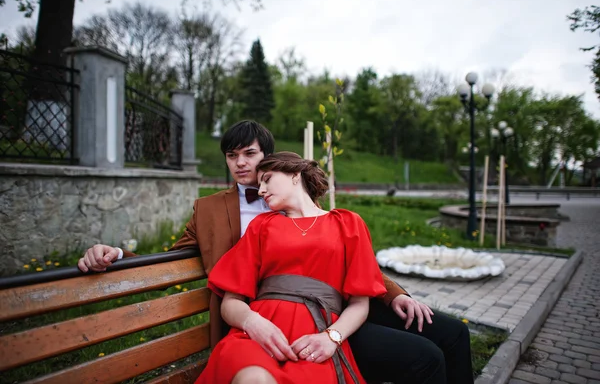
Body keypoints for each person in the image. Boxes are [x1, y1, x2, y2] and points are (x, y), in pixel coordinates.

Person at [78, 120, 473, 384]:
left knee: (452, 334)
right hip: (266, 307)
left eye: (248, 154)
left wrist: (395, 293)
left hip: (336, 300)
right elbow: (172, 257)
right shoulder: (212, 210)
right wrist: (116, 253)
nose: (239, 163)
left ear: (266, 156)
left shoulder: (304, 202)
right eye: (232, 156)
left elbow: (344, 252)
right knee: (422, 357)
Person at [196, 151, 386, 383]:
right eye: (259, 185)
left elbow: (359, 304)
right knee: (255, 379)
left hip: (314, 344)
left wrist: (331, 337)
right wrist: (252, 322)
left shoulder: (347, 223)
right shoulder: (262, 226)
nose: (261, 190)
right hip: (255, 337)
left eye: (267, 179)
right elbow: (230, 302)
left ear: (295, 175)